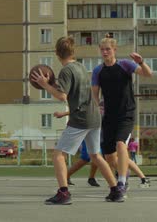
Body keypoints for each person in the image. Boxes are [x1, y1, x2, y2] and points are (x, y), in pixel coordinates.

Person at [31, 36, 124, 205]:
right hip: (94, 117)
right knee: (95, 155)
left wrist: (45, 84)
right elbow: (79, 96)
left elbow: (61, 96)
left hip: (81, 119)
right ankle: (116, 190)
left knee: (58, 154)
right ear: (73, 51)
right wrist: (65, 112)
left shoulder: (66, 71)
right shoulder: (80, 66)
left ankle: (64, 193)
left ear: (57, 54)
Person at [91, 35, 153, 197]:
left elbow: (148, 74)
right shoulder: (98, 71)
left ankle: (122, 182)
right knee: (109, 157)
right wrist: (96, 111)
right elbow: (95, 96)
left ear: (114, 50)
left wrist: (141, 62)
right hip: (109, 116)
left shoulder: (125, 65)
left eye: (108, 49)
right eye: (102, 49)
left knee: (121, 144)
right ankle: (122, 174)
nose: (105, 52)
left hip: (126, 113)